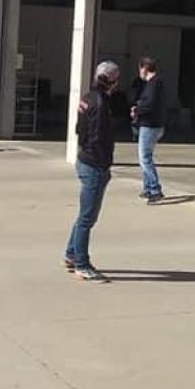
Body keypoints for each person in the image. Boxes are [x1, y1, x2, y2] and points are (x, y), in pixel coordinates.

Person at [64, 61, 120, 282]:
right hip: (94, 165)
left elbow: (80, 129)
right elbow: (98, 137)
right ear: (112, 81)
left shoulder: (87, 97)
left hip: (85, 159)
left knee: (83, 215)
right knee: (87, 218)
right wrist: (103, 164)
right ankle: (82, 263)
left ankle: (71, 254)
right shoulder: (101, 103)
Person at [131, 56, 167, 204]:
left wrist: (137, 110)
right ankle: (147, 188)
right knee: (146, 156)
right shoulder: (156, 84)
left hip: (149, 125)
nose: (139, 72)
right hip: (155, 124)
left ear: (144, 68)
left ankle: (154, 189)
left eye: (140, 69)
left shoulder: (153, 84)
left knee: (144, 158)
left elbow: (149, 104)